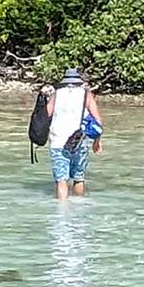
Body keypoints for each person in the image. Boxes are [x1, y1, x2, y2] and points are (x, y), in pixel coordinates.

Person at [44, 67, 96, 201]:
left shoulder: (57, 93)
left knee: (62, 180)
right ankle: (79, 207)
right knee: (79, 178)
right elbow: (97, 120)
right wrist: (97, 141)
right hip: (79, 141)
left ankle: (62, 211)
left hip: (58, 141)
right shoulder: (86, 94)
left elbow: (46, 115)